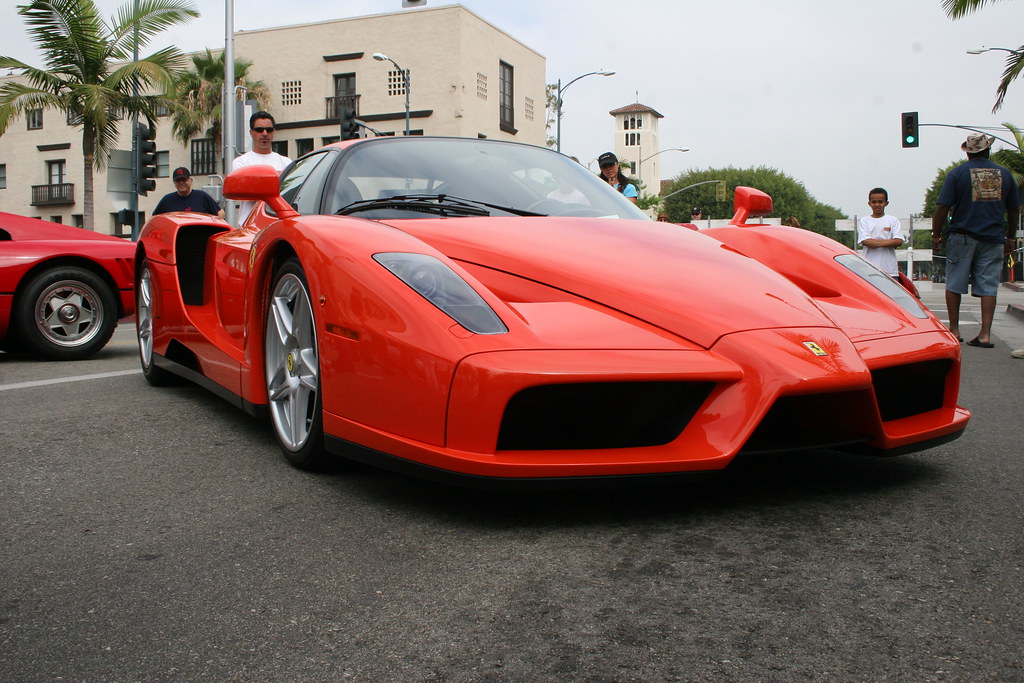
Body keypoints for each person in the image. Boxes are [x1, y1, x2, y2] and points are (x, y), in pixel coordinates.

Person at [932, 132, 1021, 347]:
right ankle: (985, 334)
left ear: (968, 153)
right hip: (993, 238)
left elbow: (942, 206)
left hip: (963, 236)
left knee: (954, 283)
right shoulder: (1005, 174)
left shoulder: (958, 174)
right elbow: (1013, 210)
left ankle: (954, 329)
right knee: (989, 285)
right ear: (988, 150)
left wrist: (936, 233)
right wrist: (1010, 236)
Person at [231, 111, 292, 221]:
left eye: (269, 130)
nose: (264, 133)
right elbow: (247, 191)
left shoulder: (286, 162)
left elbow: (291, 192)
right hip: (250, 225)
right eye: (259, 130)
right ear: (251, 132)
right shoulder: (241, 162)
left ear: (274, 132)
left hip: (279, 223)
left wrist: (258, 183)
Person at [857, 188, 904, 277]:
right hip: (869, 270)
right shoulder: (864, 221)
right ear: (869, 203)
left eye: (880, 202)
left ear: (886, 203)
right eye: (874, 202)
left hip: (890, 270)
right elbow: (865, 242)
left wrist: (874, 242)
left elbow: (898, 241)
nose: (877, 205)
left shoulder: (893, 220)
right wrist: (890, 242)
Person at [153, 167, 223, 217]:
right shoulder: (167, 200)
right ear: (174, 182)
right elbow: (154, 219)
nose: (181, 183)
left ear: (190, 180)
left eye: (184, 180)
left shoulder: (202, 196)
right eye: (178, 180)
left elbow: (220, 213)